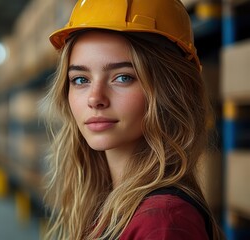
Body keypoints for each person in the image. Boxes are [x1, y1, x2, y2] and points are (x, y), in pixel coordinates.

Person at [41, 0, 224, 239]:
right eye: (80, 80)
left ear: (170, 89)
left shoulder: (163, 223)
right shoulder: (109, 206)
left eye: (123, 77)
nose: (95, 98)